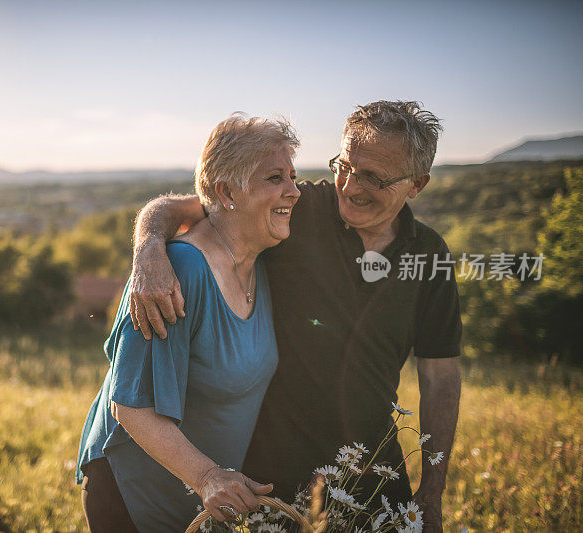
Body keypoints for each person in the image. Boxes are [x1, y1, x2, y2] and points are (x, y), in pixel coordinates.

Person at [130, 101, 462, 532]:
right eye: (345, 165)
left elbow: (441, 377)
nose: (350, 186)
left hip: (372, 473)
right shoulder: (295, 206)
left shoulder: (429, 253)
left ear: (416, 184)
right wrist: (148, 247)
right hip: (268, 474)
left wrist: (431, 496)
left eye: (374, 178)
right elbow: (199, 203)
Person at [76, 113, 302, 532]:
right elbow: (131, 406)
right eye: (275, 177)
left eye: (293, 175)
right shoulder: (179, 270)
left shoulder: (259, 255)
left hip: (201, 500)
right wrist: (207, 477)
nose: (293, 190)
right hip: (134, 497)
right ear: (227, 192)